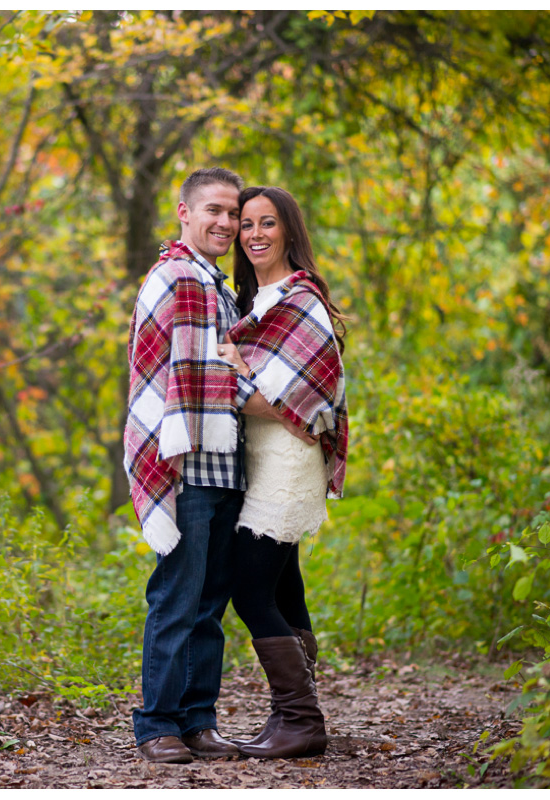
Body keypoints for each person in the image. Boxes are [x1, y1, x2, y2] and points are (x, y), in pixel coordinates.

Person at [124, 169, 306, 764]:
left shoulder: (221, 286)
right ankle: (157, 725)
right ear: (184, 211)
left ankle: (199, 721)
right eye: (215, 211)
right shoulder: (174, 275)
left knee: (210, 607)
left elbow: (226, 367)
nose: (227, 223)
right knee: (177, 598)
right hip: (187, 466)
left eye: (234, 213)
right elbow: (163, 375)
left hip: (227, 467)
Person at [218, 186, 350, 760]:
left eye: (267, 223)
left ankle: (301, 718)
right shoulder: (256, 301)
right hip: (259, 458)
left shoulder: (300, 300)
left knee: (248, 586)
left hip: (289, 460)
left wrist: (229, 372)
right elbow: (268, 391)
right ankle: (294, 719)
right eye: (246, 224)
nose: (254, 234)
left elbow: (301, 396)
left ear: (289, 231)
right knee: (281, 584)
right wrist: (244, 371)